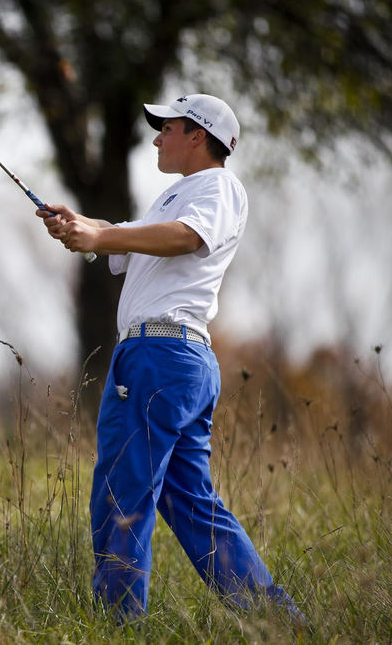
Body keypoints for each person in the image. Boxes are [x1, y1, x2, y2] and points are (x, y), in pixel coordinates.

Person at [36, 94, 303, 622]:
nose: (157, 137)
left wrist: (102, 233)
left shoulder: (218, 187)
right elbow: (130, 244)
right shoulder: (174, 196)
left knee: (121, 493)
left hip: (159, 356)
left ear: (198, 135)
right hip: (171, 360)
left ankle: (117, 627)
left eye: (168, 128)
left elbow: (186, 238)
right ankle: (278, 625)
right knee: (193, 507)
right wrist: (81, 225)